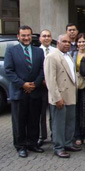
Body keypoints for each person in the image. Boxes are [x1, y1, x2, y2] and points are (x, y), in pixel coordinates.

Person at [4, 25, 45, 158]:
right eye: (23, 35)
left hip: (35, 91)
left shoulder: (39, 51)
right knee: (19, 121)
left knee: (34, 119)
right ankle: (21, 145)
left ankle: (32, 143)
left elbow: (42, 70)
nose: (26, 38)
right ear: (18, 36)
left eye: (28, 35)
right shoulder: (11, 51)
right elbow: (9, 71)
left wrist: (35, 84)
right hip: (19, 92)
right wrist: (23, 84)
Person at [44, 34, 82, 158]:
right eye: (64, 41)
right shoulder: (52, 57)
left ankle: (67, 143)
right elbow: (50, 80)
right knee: (59, 124)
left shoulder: (69, 55)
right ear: (58, 43)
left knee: (70, 122)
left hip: (70, 95)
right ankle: (59, 147)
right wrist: (56, 98)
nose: (67, 44)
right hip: (59, 96)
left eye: (69, 41)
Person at [38, 29, 56, 146]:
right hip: (41, 87)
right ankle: (41, 136)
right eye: (44, 36)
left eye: (49, 36)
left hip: (54, 86)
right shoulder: (36, 51)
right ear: (40, 38)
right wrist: (43, 80)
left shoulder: (55, 51)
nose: (46, 38)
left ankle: (54, 134)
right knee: (41, 113)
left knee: (54, 112)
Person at [72, 33, 85, 146]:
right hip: (76, 85)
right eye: (79, 42)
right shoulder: (72, 54)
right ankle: (77, 135)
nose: (81, 44)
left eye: (83, 41)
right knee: (76, 110)